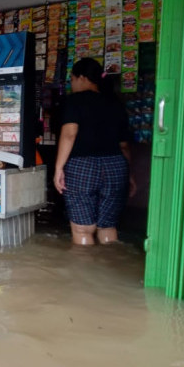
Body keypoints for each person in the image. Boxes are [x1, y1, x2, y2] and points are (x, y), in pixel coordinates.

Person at [53, 57, 136, 246]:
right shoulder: (116, 104)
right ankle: (109, 266)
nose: (72, 84)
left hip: (83, 167)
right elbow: (124, 146)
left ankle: (83, 272)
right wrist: (129, 175)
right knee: (107, 226)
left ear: (81, 77)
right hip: (115, 166)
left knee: (83, 229)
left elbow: (69, 134)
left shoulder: (75, 101)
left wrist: (59, 168)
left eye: (72, 79)